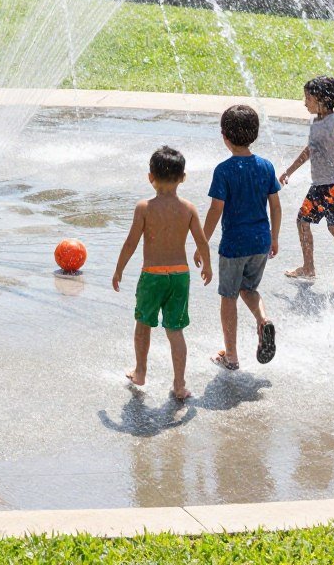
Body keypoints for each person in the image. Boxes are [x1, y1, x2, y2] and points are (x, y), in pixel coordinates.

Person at [113, 146, 212, 401]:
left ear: (150, 177)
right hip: (180, 276)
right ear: (183, 178)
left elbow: (130, 243)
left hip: (152, 276)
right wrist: (208, 265)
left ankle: (140, 372)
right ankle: (179, 385)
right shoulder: (188, 208)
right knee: (175, 331)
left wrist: (119, 269)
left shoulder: (144, 207)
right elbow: (202, 242)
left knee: (143, 324)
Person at [197, 105, 281, 371]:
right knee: (249, 289)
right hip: (261, 241)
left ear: (225, 136)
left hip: (234, 245)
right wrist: (274, 237)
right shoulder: (265, 166)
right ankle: (263, 319)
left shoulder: (224, 170)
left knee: (229, 296)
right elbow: (276, 206)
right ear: (254, 134)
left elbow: (215, 209)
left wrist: (202, 242)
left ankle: (231, 356)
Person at [279, 76, 334, 286]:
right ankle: (308, 267)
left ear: (321, 99)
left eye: (307, 98)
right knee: (302, 222)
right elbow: (310, 150)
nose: (304, 103)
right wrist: (289, 171)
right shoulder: (316, 122)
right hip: (318, 185)